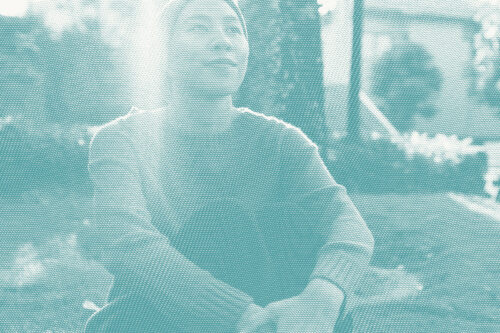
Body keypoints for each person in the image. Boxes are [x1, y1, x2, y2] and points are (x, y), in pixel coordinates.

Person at [81, 0, 374, 332]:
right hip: (149, 319)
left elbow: (347, 225)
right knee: (222, 224)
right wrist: (244, 316)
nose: (223, 40)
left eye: (233, 29)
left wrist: (322, 297)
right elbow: (126, 242)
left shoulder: (281, 142)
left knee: (291, 223)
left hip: (267, 309)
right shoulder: (121, 140)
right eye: (199, 27)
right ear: (162, 53)